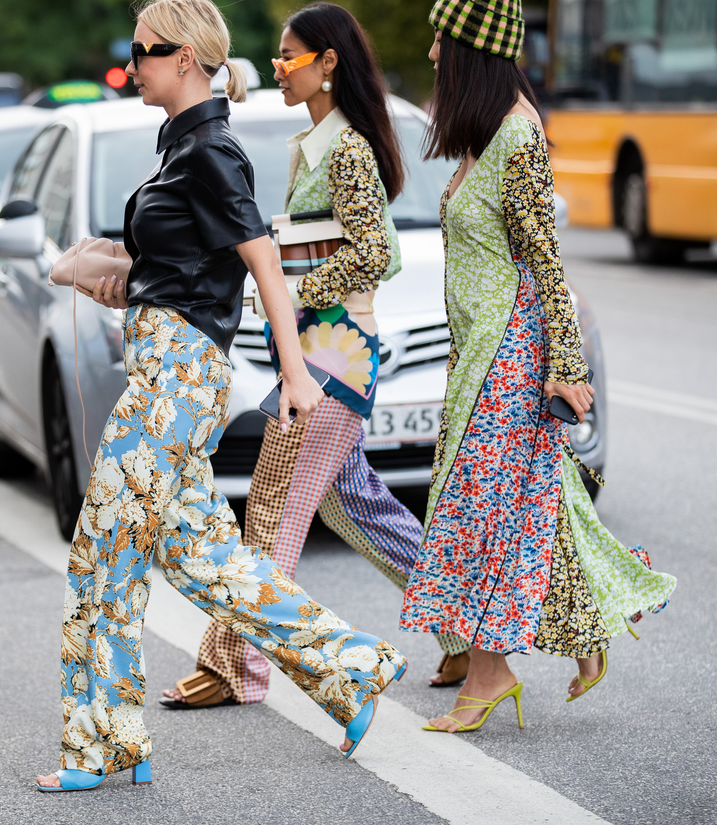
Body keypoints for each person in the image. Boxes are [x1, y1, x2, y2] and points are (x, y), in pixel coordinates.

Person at [34, 0, 408, 793]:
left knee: (101, 552)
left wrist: (296, 372)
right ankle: (349, 666)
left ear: (186, 58)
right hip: (167, 367)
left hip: (176, 380)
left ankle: (101, 743)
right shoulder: (182, 147)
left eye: (144, 50)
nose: (131, 64)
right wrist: (94, 267)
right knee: (206, 559)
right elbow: (178, 273)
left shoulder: (212, 151)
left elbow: (262, 259)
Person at [159, 1, 470, 713]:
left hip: (334, 355)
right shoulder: (316, 144)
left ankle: (235, 667)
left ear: (328, 63)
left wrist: (297, 291)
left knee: (271, 508)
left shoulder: (346, 150)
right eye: (276, 55)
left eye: (289, 55)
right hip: (324, 353)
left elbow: (377, 253)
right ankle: (464, 627)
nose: (277, 67)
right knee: (358, 506)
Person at [400, 0, 677, 733]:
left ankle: (489, 675)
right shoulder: (487, 133)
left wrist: (567, 365)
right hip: (478, 352)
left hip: (510, 357)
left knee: (481, 513)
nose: (432, 53)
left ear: (471, 50)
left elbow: (546, 262)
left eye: (441, 39)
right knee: (530, 505)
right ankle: (586, 627)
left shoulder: (518, 137)